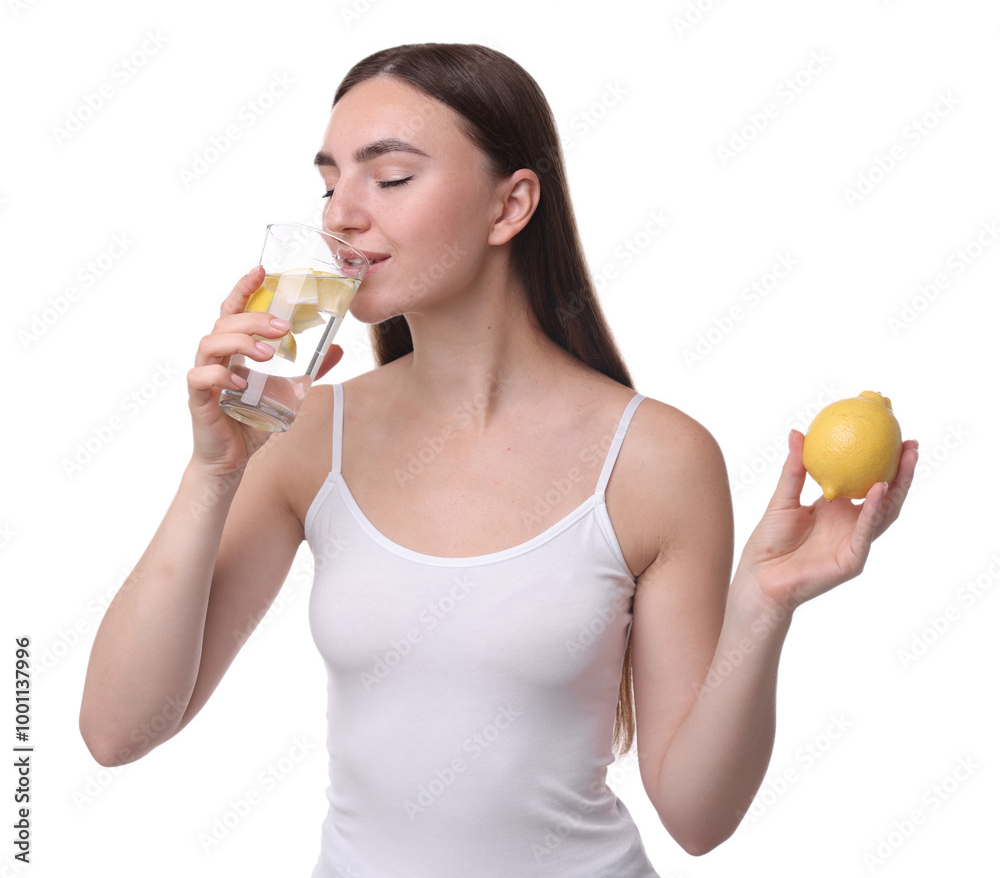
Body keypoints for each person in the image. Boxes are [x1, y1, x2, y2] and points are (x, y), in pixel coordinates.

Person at [79, 43, 918, 876]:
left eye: (391, 177)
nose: (339, 214)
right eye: (331, 181)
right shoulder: (304, 433)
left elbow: (698, 818)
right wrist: (213, 471)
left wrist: (763, 608)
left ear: (510, 205)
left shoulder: (657, 459)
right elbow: (117, 731)